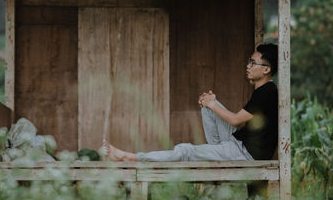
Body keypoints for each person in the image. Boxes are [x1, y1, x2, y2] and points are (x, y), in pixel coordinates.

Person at [104, 43, 278, 162]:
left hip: (246, 153)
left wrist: (213, 104)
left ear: (266, 69)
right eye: (249, 61)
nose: (248, 66)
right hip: (238, 143)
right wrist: (211, 103)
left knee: (186, 150)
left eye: (253, 63)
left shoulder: (267, 91)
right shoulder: (263, 90)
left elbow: (235, 120)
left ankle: (131, 157)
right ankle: (215, 154)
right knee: (208, 107)